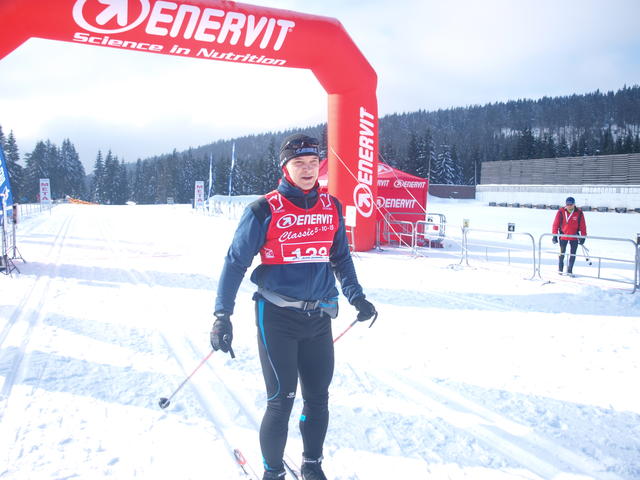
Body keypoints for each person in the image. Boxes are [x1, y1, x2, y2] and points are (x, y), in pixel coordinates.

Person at [211, 133, 377, 480]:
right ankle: (273, 473)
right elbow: (235, 262)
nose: (307, 169)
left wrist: (356, 296)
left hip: (318, 317)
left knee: (318, 398)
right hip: (276, 317)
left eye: (313, 163)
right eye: (299, 163)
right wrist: (222, 315)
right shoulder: (263, 210)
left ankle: (312, 465)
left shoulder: (332, 207)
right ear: (285, 167)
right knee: (281, 399)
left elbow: (341, 258)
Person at [551, 196, 587, 276]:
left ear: (574, 204)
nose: (569, 206)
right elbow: (555, 224)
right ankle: (560, 269)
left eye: (571, 204)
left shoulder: (579, 212)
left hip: (574, 236)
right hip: (563, 236)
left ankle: (570, 271)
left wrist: (583, 236)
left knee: (573, 254)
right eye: (568, 204)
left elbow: (583, 226)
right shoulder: (561, 211)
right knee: (561, 254)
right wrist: (554, 235)